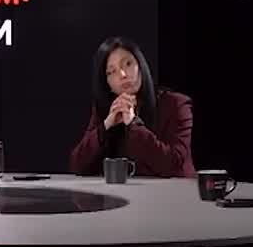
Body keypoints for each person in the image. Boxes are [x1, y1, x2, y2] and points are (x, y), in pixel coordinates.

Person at [68, 37, 196, 178]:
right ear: (107, 84)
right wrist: (106, 126)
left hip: (174, 190)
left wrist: (133, 123)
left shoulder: (176, 104)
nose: (123, 75)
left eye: (128, 64)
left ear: (140, 66)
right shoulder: (106, 111)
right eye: (112, 71)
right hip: (126, 191)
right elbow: (77, 166)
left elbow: (173, 166)